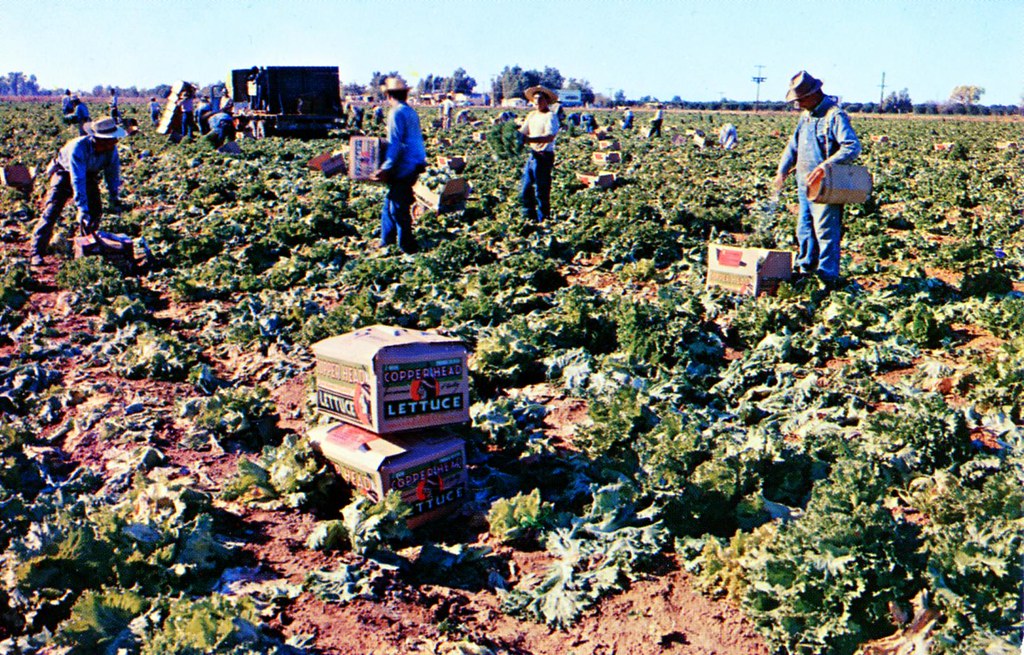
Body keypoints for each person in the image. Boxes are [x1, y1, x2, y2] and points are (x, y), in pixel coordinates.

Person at [773, 71, 861, 284]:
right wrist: (781, 170)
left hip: (825, 185)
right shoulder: (806, 116)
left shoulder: (834, 115)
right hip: (803, 184)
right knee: (804, 230)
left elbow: (852, 146)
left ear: (814, 94)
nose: (798, 104)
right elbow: (793, 146)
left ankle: (827, 277)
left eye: (801, 99)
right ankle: (806, 270)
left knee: (825, 231)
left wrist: (825, 166)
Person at [30, 117, 126, 267]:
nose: (114, 143)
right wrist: (82, 208)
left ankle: (86, 246)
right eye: (109, 140)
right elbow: (77, 179)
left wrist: (114, 196)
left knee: (95, 212)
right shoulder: (78, 148)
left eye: (114, 139)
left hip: (88, 175)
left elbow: (112, 173)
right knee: (52, 211)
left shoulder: (110, 150)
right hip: (64, 173)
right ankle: (36, 252)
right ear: (97, 139)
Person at [371, 77, 426, 254]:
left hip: (405, 164)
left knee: (398, 207)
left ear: (388, 96)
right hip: (416, 160)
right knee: (390, 200)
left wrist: (385, 167)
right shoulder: (409, 111)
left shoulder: (396, 113)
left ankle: (407, 245)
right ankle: (386, 240)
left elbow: (395, 143)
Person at [518, 85, 559, 223]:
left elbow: (549, 137)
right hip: (533, 154)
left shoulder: (550, 116)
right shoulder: (532, 115)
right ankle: (529, 217)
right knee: (525, 188)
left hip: (544, 156)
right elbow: (523, 131)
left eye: (540, 99)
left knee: (541, 190)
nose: (537, 103)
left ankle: (544, 219)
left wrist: (530, 140)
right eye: (535, 100)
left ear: (547, 101)